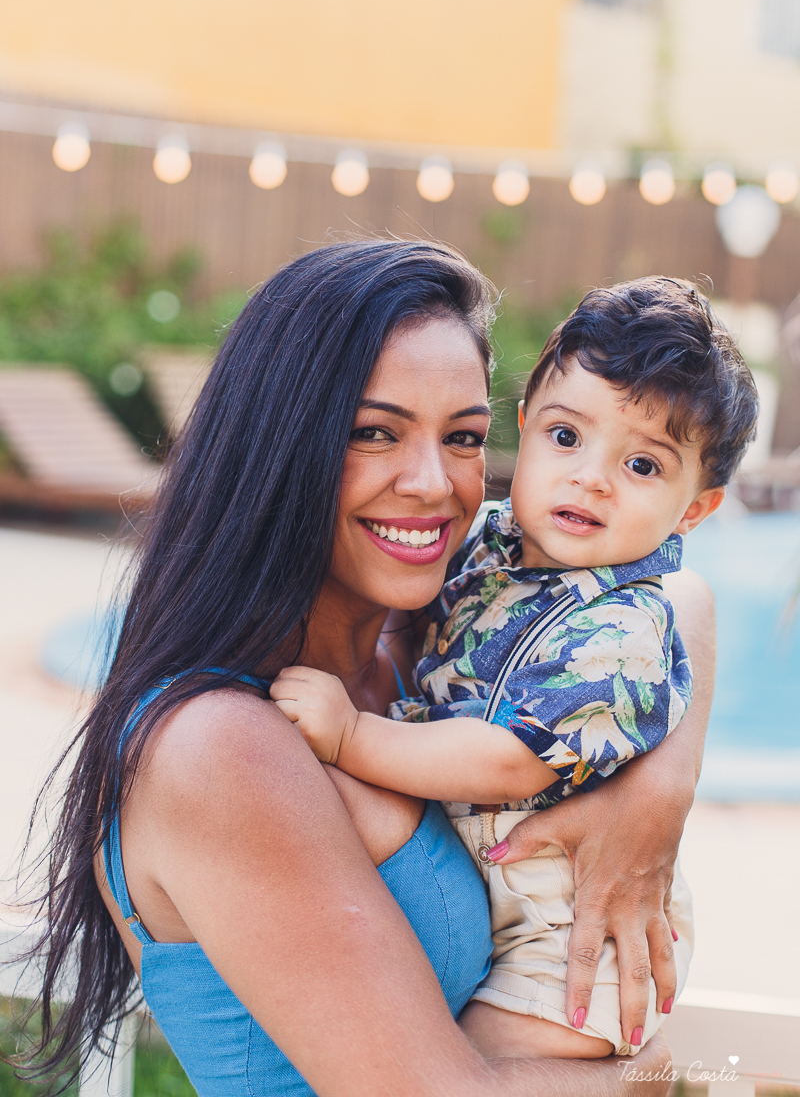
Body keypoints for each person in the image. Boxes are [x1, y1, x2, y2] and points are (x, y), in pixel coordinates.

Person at [18, 243, 714, 1097]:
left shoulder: (419, 646)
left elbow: (679, 597)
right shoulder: (221, 748)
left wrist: (655, 795)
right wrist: (651, 1074)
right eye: (374, 433)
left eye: (462, 437)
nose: (432, 483)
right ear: (280, 447)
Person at [272, 278, 757, 1062]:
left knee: (481, 1072)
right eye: (567, 438)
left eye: (641, 464)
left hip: (566, 930)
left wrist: (350, 735)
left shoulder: (623, 625)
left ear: (695, 508)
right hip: (506, 893)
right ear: (525, 429)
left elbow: (506, 759)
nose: (590, 477)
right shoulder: (493, 547)